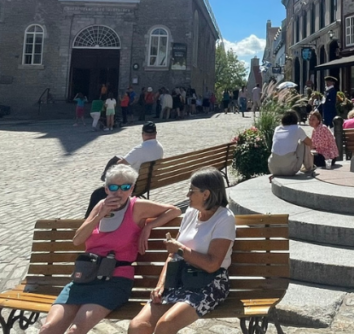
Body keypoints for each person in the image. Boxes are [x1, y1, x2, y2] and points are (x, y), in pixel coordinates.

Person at [40, 165, 181, 334]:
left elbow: (174, 210)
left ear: (132, 188)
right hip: (85, 276)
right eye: (114, 187)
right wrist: (100, 215)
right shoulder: (101, 205)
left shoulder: (137, 206)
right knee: (47, 329)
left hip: (115, 280)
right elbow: (78, 240)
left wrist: (148, 226)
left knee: (75, 330)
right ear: (106, 189)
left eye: (125, 187)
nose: (119, 192)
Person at [129, 168, 236, 334]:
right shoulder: (191, 213)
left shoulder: (224, 218)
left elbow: (212, 265)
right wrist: (161, 285)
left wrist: (181, 249)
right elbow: (172, 255)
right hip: (178, 278)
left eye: (191, 191)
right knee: (138, 327)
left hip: (209, 282)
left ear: (206, 194)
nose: (187, 195)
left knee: (165, 325)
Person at [87, 122, 165, 216]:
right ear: (155, 134)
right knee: (117, 158)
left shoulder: (139, 149)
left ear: (143, 134)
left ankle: (87, 220)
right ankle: (105, 180)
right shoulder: (159, 147)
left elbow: (120, 164)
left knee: (96, 194)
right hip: (147, 182)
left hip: (133, 184)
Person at [268, 110, 313, 177]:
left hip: (273, 169)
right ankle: (309, 167)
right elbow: (309, 143)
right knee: (303, 142)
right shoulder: (297, 128)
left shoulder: (277, 129)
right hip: (289, 170)